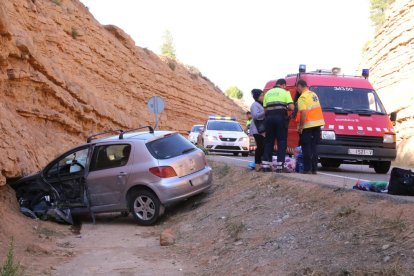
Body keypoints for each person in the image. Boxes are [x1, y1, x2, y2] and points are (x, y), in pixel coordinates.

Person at [262, 79, 294, 172]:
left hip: (269, 119)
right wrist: (287, 107)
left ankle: (265, 166)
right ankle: (280, 167)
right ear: (283, 85)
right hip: (280, 119)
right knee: (282, 141)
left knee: (269, 142)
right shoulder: (285, 92)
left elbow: (265, 110)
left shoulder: (267, 93)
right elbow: (291, 107)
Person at [296, 79, 325, 174]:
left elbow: (303, 113)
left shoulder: (302, 98)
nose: (297, 90)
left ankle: (307, 169)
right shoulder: (313, 94)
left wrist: (301, 126)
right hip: (317, 125)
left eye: (297, 87)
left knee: (306, 147)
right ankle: (314, 169)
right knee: (314, 147)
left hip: (308, 125)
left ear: (300, 86)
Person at [250, 89, 265, 172]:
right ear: (257, 96)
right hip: (256, 129)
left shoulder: (262, 104)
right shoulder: (254, 105)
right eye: (261, 95)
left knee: (263, 147)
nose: (263, 97)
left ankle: (261, 163)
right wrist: (265, 113)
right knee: (260, 147)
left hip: (262, 129)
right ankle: (257, 164)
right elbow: (256, 116)